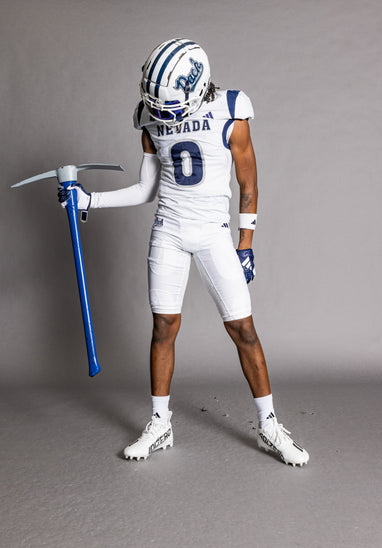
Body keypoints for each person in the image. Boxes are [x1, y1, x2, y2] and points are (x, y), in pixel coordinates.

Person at [59, 38, 309, 467]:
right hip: (168, 231)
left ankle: (269, 425)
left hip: (213, 233)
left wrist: (246, 244)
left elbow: (248, 183)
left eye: (167, 106)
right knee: (163, 327)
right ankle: (160, 424)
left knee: (243, 329)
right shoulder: (149, 117)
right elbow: (146, 190)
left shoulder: (231, 110)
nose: (159, 113)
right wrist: (89, 201)